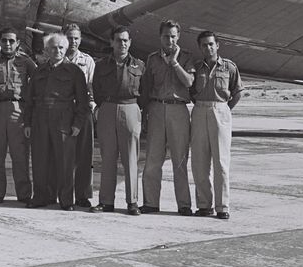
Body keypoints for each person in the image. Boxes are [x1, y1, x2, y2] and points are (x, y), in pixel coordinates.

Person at [23, 33, 89, 210]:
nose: (57, 51)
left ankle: (66, 200)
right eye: (53, 47)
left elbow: (83, 102)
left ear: (66, 49)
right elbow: (30, 99)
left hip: (63, 120)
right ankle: (40, 197)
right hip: (40, 119)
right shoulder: (39, 70)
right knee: (40, 160)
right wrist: (28, 123)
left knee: (65, 162)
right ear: (47, 50)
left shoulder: (74, 71)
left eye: (61, 47)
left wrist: (77, 124)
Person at [140, 20, 197, 216]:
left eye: (173, 36)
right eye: (166, 36)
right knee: (152, 160)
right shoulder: (152, 59)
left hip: (178, 109)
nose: (170, 40)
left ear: (178, 37)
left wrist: (174, 62)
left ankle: (184, 205)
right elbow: (147, 88)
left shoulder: (187, 57)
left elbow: (189, 82)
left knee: (180, 161)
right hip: (156, 108)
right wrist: (145, 114)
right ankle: (150, 202)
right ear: (160, 37)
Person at [89, 26, 145, 216]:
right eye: (118, 40)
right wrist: (104, 106)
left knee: (130, 157)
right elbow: (96, 88)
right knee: (108, 158)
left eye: (125, 40)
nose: (122, 43)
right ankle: (106, 201)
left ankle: (132, 202)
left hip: (130, 108)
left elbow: (144, 90)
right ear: (111, 42)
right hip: (107, 108)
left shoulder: (139, 65)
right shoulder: (101, 65)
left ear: (130, 42)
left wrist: (136, 109)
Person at [190, 31, 243, 220]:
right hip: (199, 111)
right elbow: (190, 90)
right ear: (200, 48)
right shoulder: (196, 67)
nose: (208, 48)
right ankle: (204, 205)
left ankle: (222, 206)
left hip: (221, 109)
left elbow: (237, 91)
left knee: (221, 161)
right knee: (199, 162)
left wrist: (225, 110)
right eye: (204, 45)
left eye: (211, 44)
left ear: (218, 45)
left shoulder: (229, 67)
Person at [0, 27, 36, 203]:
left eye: (11, 41)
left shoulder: (26, 61)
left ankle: (24, 195)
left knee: (20, 155)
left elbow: (37, 81)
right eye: (4, 40)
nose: (7, 44)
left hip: (18, 110)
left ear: (18, 43)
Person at [63, 23, 96, 208]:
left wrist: (91, 106)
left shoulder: (87, 60)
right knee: (62, 155)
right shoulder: (58, 58)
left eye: (76, 38)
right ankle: (63, 192)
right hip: (63, 111)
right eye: (69, 37)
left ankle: (83, 195)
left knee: (85, 155)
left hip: (83, 111)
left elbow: (91, 85)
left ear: (80, 40)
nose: (73, 41)